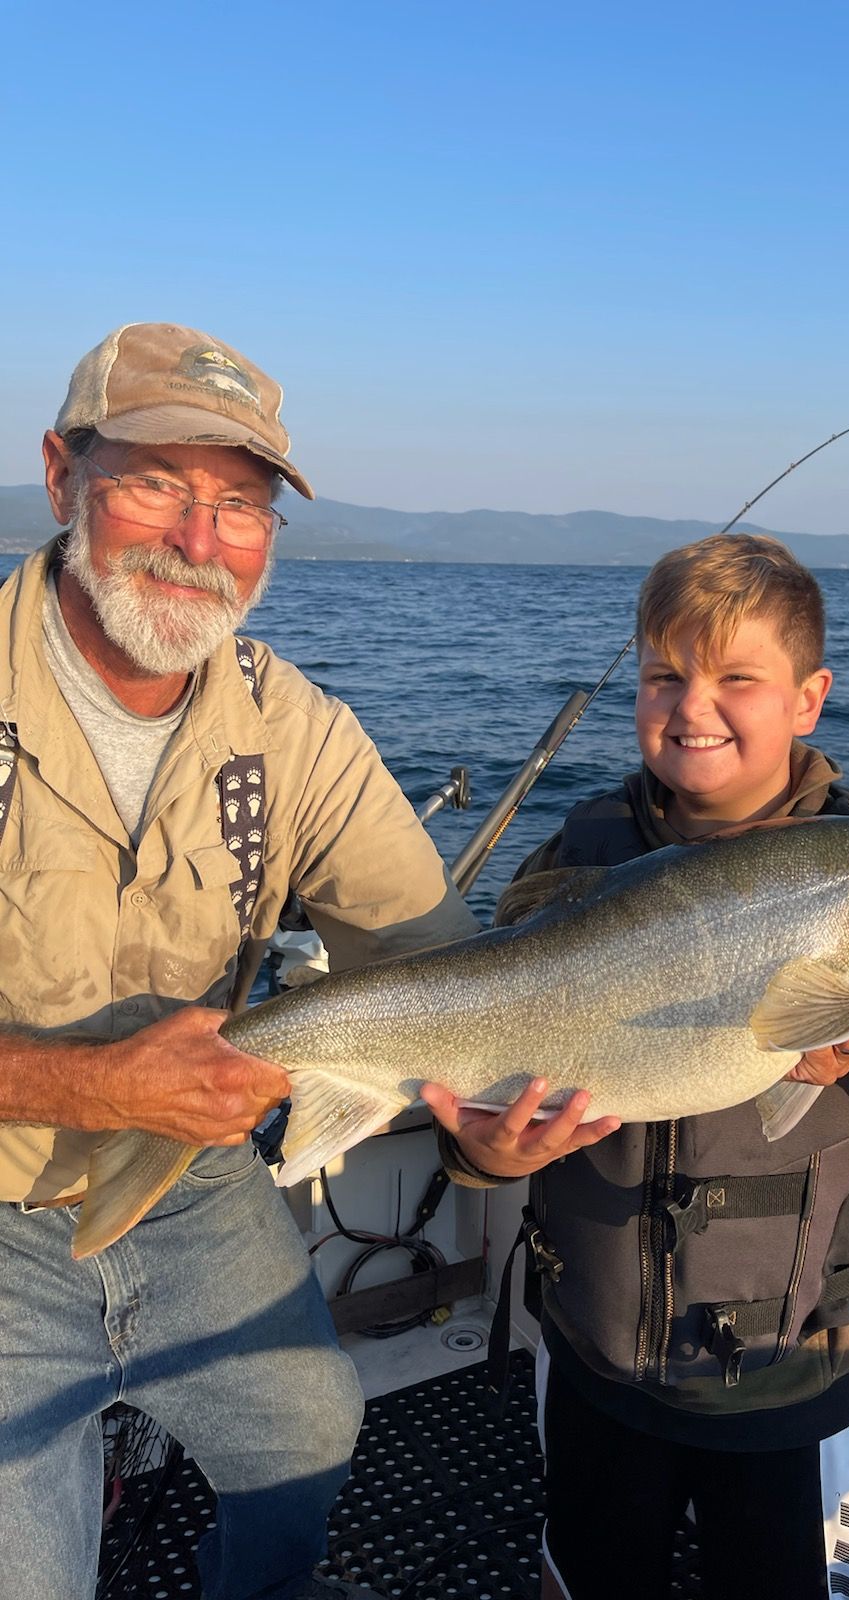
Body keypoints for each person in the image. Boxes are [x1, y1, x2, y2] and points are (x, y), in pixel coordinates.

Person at [423, 533, 849, 1600]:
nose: (694, 707)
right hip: (595, 1361)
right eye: (663, 675)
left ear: (809, 697)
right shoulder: (573, 857)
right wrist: (482, 1150)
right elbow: (485, 1078)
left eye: (738, 678)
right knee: (586, 1577)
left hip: (802, 1381)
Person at [0, 322, 482, 1600]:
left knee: (311, 1433)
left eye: (241, 504)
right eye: (157, 482)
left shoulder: (299, 732)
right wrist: (92, 1089)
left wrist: (500, 1113)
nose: (199, 542)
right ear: (61, 477)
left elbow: (442, 959)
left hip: (193, 1181)